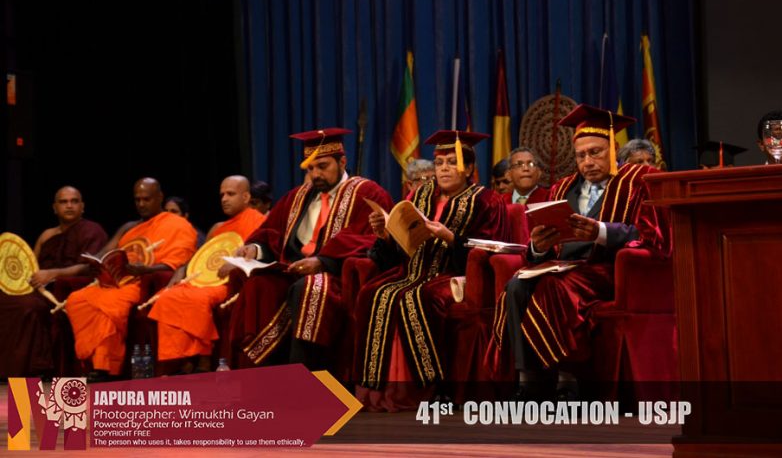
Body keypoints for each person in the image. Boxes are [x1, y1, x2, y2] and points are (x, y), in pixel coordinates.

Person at [489, 105, 670, 400]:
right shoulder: (562, 188)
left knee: (553, 286)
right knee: (516, 285)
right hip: (562, 267)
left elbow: (652, 235)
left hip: (608, 270)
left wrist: (600, 232)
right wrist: (538, 247)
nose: (587, 162)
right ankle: (528, 379)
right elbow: (544, 246)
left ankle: (568, 378)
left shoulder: (638, 180)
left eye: (595, 153)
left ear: (614, 149)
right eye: (580, 155)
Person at [354, 130, 509, 411]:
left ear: (469, 169)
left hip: (455, 274)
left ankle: (432, 386)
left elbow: (490, 249)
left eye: (452, 162)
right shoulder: (420, 194)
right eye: (439, 163)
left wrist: (451, 238)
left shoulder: (486, 200)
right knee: (374, 293)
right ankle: (377, 388)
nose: (444, 169)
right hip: (412, 270)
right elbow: (401, 248)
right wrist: (386, 235)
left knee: (419, 298)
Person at [229, 128, 393, 372]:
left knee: (309, 289)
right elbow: (272, 232)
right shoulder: (297, 196)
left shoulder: (367, 193)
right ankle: (264, 375)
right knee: (258, 286)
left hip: (336, 275)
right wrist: (255, 249)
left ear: (342, 162)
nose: (316, 174)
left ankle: (305, 375)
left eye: (323, 166)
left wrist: (323, 262)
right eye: (311, 168)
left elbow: (370, 241)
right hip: (291, 270)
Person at [65, 178, 197, 381]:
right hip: (115, 282)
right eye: (137, 200)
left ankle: (106, 367)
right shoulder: (129, 227)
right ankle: (92, 363)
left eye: (147, 199)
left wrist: (146, 269)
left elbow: (178, 262)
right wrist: (96, 263)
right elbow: (104, 253)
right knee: (77, 300)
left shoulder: (177, 225)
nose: (141, 204)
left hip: (140, 282)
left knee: (109, 306)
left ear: (160, 198)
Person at [149, 176, 266, 373]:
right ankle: (183, 359)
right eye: (222, 195)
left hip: (228, 282)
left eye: (230, 194)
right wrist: (181, 269)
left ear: (246, 197)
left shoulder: (259, 222)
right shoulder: (218, 228)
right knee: (168, 296)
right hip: (205, 279)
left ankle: (203, 359)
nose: (224, 199)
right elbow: (200, 257)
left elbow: (263, 253)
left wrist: (236, 264)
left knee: (198, 299)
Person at [0, 186, 108, 378]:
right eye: (63, 202)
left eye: (74, 201)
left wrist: (53, 274)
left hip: (68, 289)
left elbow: (91, 266)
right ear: (54, 208)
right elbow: (30, 266)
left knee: (28, 307)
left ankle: (31, 369)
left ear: (82, 206)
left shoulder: (92, 231)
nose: (69, 206)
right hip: (39, 288)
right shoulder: (47, 235)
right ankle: (7, 367)